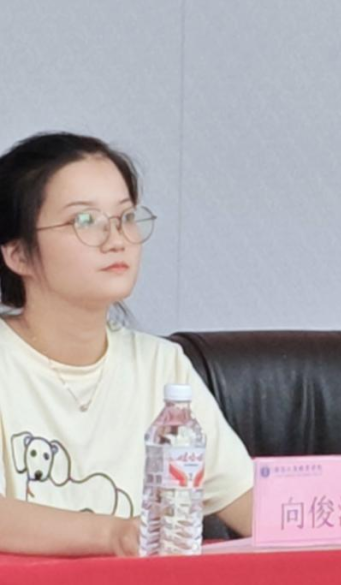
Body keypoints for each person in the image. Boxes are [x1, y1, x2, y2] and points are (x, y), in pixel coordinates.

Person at [0, 132, 254, 555]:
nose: (116, 239)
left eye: (126, 217)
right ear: (18, 254)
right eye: (85, 221)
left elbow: (251, 504)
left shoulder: (161, 366)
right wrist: (112, 535)